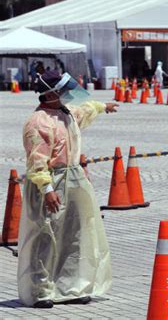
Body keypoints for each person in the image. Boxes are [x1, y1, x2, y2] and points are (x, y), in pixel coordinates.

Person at [18, 70, 118, 309]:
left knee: (75, 233)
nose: (66, 94)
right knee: (46, 235)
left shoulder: (65, 114)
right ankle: (41, 290)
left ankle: (71, 286)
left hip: (73, 178)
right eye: (61, 90)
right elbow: (37, 160)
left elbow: (85, 110)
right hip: (52, 182)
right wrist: (48, 188)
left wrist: (104, 106)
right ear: (50, 93)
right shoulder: (39, 122)